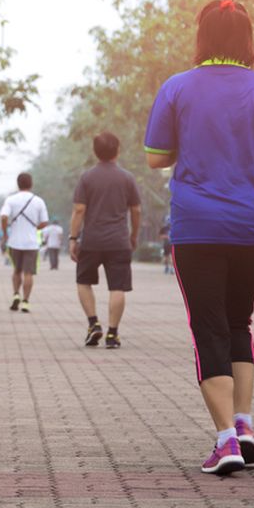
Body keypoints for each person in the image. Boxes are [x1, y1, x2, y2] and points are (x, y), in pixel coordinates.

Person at [145, 0, 254, 475]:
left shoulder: (177, 87)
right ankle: (244, 426)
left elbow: (157, 156)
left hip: (198, 227)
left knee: (208, 327)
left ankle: (224, 442)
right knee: (240, 321)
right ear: (247, 38)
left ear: (202, 38)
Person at [69, 132, 142, 349]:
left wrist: (73, 238)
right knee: (117, 287)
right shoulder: (127, 178)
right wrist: (133, 236)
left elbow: (79, 209)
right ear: (117, 150)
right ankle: (113, 333)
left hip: (91, 241)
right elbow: (136, 210)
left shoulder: (87, 178)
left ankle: (93, 324)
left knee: (83, 282)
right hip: (119, 242)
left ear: (95, 152)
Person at [0, 173, 49, 312]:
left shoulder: (11, 200)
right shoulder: (38, 201)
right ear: (31, 184)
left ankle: (16, 294)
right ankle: (26, 301)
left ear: (18, 184)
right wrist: (35, 228)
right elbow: (45, 221)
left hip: (14, 241)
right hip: (31, 243)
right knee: (29, 273)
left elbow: (4, 216)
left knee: (16, 270)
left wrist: (5, 232)